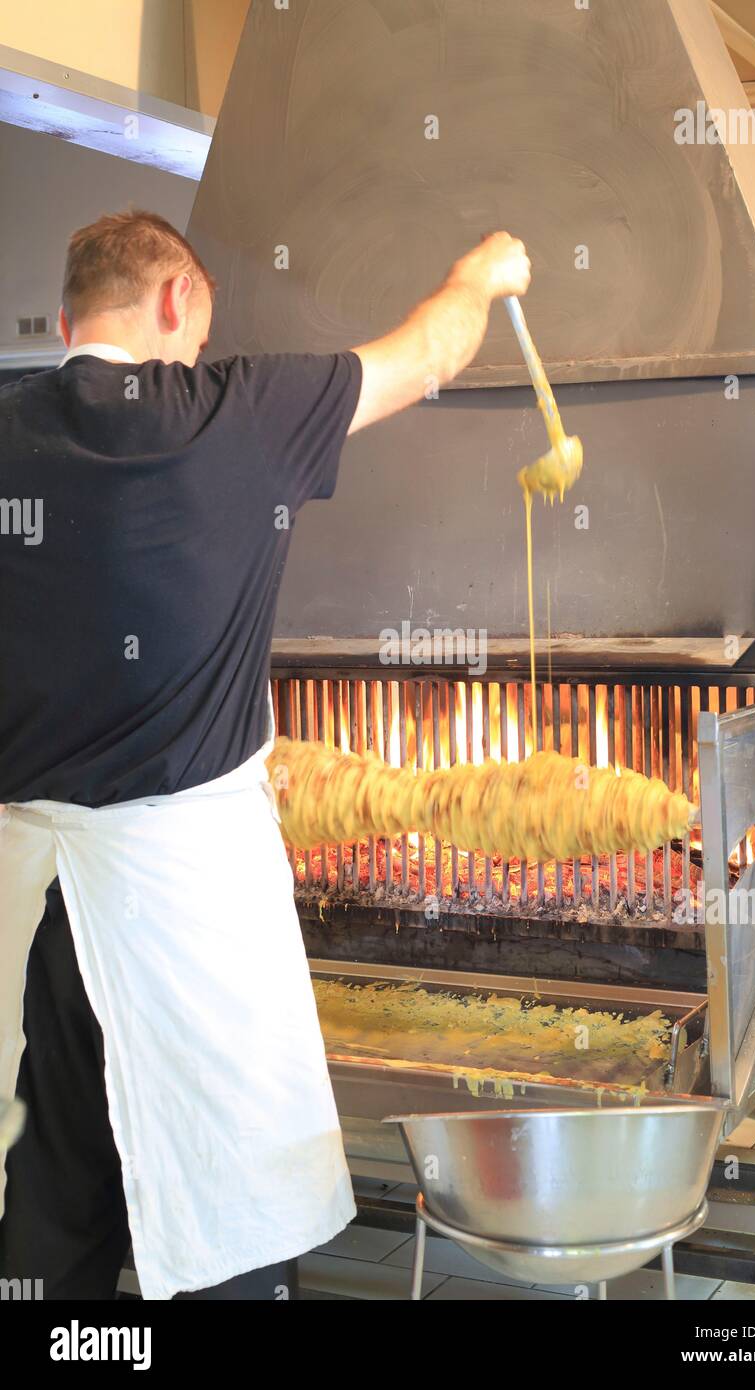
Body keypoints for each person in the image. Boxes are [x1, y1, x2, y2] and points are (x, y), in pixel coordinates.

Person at [0, 211, 531, 1300]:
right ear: (175, 302)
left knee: (51, 1199)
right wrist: (482, 271)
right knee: (227, 1202)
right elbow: (431, 349)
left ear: (63, 323)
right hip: (185, 910)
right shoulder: (238, 415)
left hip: (31, 902)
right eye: (196, 334)